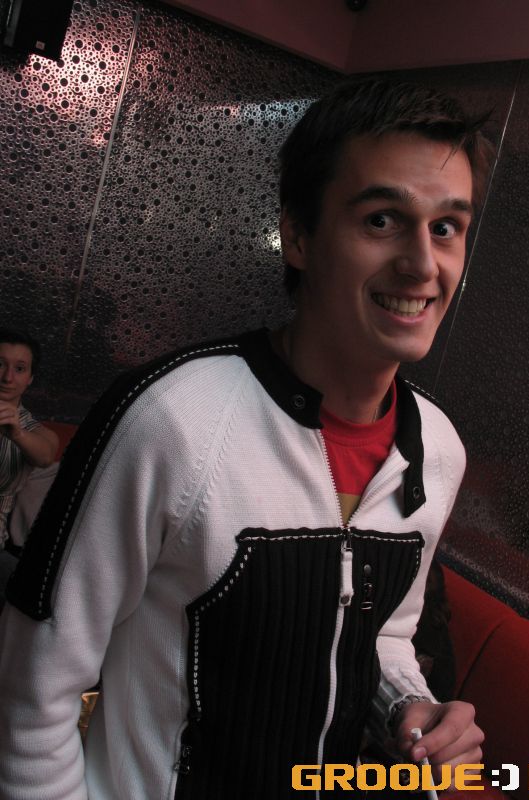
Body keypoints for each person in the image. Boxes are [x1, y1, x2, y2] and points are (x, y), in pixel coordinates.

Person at [0, 79, 493, 799]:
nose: (423, 264)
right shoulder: (171, 419)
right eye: (383, 220)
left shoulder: (438, 450)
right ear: (298, 236)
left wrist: (407, 707)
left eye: (446, 227)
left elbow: (383, 634)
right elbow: (32, 694)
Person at [0, 328, 58, 602]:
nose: (7, 377)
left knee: (34, 592)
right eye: (0, 364)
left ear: (30, 379)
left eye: (20, 369)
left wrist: (17, 434)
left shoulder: (31, 431)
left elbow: (45, 455)